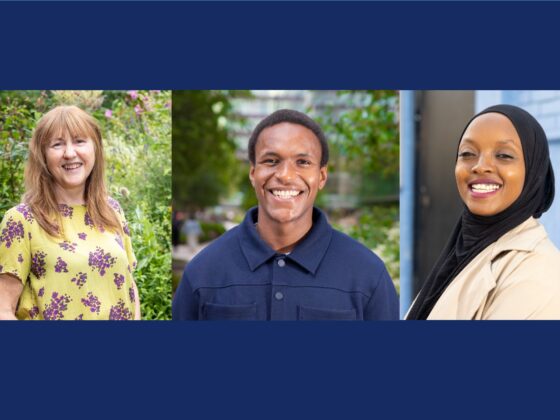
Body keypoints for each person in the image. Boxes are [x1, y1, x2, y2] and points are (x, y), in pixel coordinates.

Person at [173, 109, 398, 320]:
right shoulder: (204, 272)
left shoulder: (368, 274)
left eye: (302, 162)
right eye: (271, 161)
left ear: (321, 176)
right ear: (253, 173)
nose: (285, 175)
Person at [407, 104, 560, 320]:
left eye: (504, 155)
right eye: (468, 153)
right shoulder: (461, 253)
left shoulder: (538, 273)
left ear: (534, 170)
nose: (480, 166)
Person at [0, 105, 140, 320]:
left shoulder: (112, 210)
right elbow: (3, 309)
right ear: (42, 155)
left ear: (96, 148)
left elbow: (129, 286)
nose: (69, 153)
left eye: (79, 141)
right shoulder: (21, 220)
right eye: (57, 144)